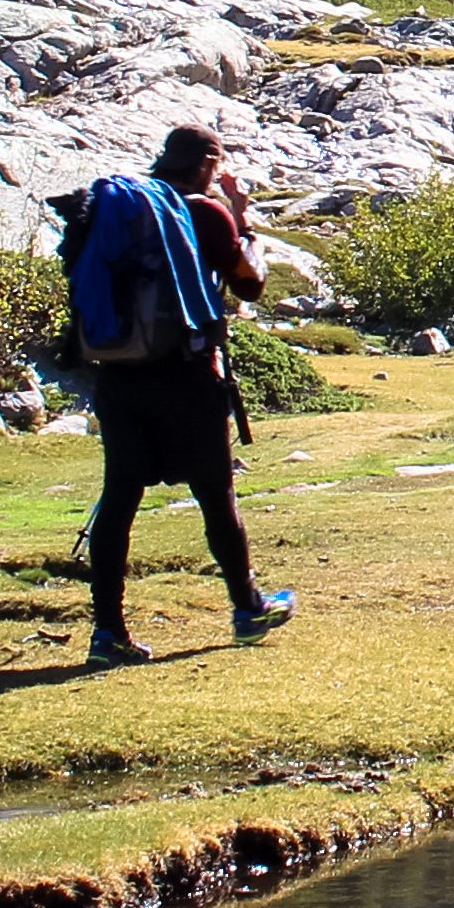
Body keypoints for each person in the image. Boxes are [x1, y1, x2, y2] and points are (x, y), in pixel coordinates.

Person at [55, 124, 291, 665]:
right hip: (187, 374)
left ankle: (107, 631)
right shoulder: (204, 214)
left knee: (119, 497)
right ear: (208, 163)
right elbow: (250, 283)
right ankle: (246, 606)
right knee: (215, 493)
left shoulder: (120, 211)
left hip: (118, 377)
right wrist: (242, 216)